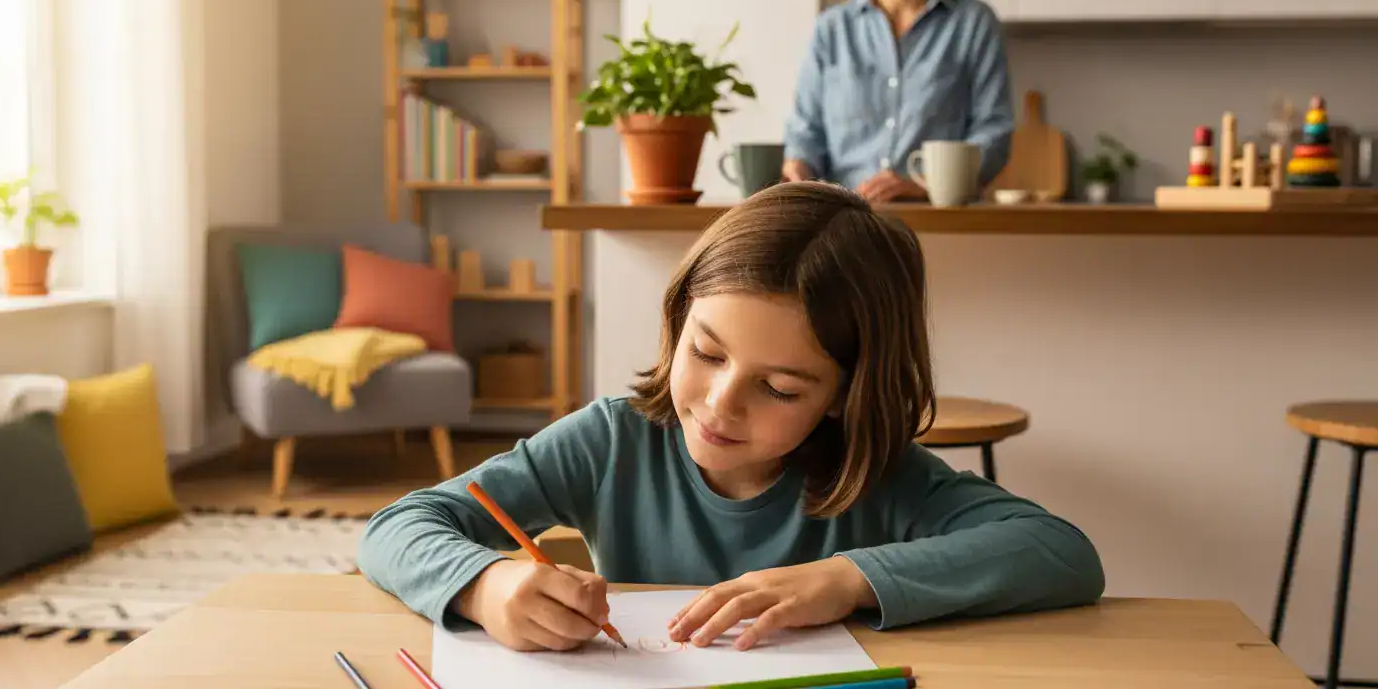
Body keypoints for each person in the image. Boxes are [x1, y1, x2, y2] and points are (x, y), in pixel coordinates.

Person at [357, 182, 1103, 653]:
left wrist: (849, 578)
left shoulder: (877, 477)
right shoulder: (614, 440)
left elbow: (1062, 553)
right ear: (678, 320)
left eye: (778, 388)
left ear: (844, 393)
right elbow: (397, 526)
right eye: (706, 353)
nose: (719, 403)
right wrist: (484, 586)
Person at [783, 0, 1015, 204]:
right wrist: (798, 166)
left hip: (938, 215)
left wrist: (925, 185)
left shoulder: (973, 23)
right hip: (842, 217)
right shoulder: (831, 28)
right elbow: (805, 132)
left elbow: (993, 132)